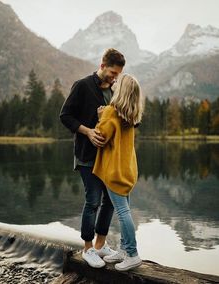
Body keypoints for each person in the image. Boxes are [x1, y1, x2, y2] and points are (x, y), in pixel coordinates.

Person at [60, 48, 126, 268]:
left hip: (109, 157)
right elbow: (65, 115)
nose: (114, 77)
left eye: (118, 74)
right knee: (93, 201)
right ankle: (87, 249)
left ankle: (100, 244)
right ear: (103, 65)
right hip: (87, 156)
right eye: (112, 72)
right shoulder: (82, 86)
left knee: (110, 202)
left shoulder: (115, 91)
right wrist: (87, 131)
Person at [92, 73, 145, 271]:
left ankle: (132, 253)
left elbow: (101, 137)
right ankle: (123, 249)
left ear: (121, 90)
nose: (114, 82)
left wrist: (100, 118)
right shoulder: (130, 115)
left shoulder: (111, 112)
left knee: (123, 212)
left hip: (114, 172)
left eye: (118, 82)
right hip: (128, 170)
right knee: (126, 210)